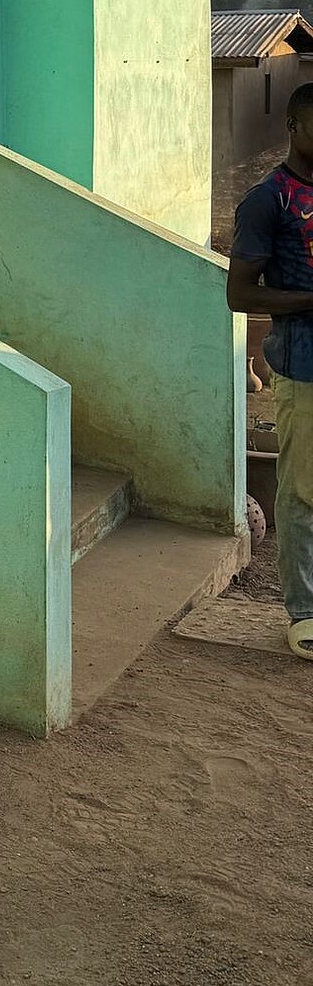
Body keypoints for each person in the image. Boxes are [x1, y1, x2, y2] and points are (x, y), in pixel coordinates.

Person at [227, 82, 313, 656]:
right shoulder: (269, 200)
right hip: (305, 366)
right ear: (292, 125)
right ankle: (304, 611)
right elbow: (239, 293)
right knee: (305, 489)